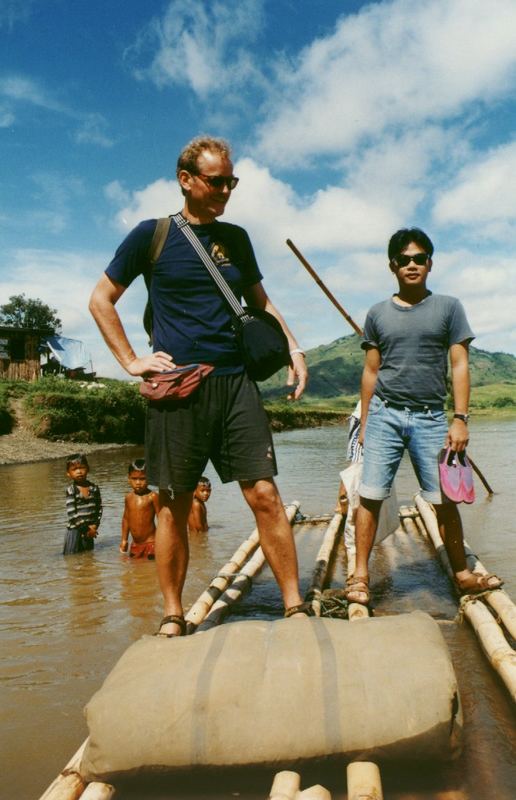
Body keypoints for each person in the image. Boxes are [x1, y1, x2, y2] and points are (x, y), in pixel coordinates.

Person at [89, 135, 309, 636]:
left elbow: (261, 302)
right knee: (174, 503)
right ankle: (172, 614)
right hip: (178, 388)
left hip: (235, 384)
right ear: (186, 179)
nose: (226, 190)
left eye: (231, 181)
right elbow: (101, 300)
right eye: (216, 181)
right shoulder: (153, 235)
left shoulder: (236, 239)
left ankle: (294, 604)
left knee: (265, 495)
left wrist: (293, 348)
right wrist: (130, 360)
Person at [345, 227, 503, 605]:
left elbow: (460, 363)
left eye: (419, 258)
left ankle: (462, 573)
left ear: (430, 263)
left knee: (444, 500)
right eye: (404, 260)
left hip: (432, 418)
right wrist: (365, 424)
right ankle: (360, 575)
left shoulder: (449, 307)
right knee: (369, 496)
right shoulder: (377, 313)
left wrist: (460, 418)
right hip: (384, 414)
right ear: (392, 266)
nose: (412, 265)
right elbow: (371, 371)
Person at [120, 459, 160, 559]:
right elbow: (126, 519)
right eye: (134, 478)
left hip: (151, 543)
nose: (138, 482)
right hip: (136, 544)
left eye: (142, 479)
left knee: (150, 569)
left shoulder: (153, 496)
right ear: (129, 478)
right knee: (136, 569)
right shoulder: (128, 498)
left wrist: (163, 541)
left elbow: (161, 519)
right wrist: (124, 540)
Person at [63, 453, 102, 555]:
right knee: (71, 557)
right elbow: (72, 514)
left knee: (88, 557)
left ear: (88, 469)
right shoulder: (71, 490)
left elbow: (99, 509)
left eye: (82, 468)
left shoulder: (94, 488)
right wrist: (86, 529)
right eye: (74, 469)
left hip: (90, 530)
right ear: (68, 473)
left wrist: (95, 525)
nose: (79, 471)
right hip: (75, 531)